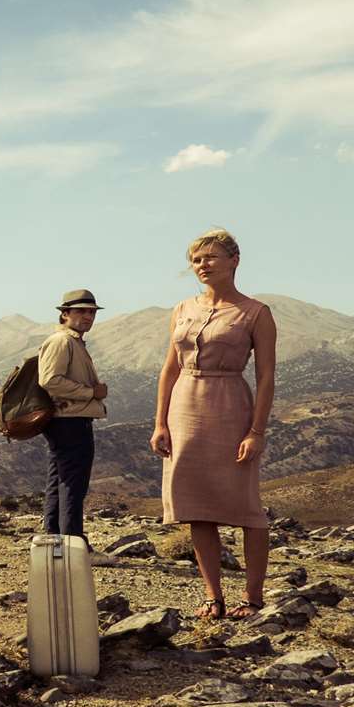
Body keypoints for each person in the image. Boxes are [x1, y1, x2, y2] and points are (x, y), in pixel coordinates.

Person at [149, 229, 278, 619]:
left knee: (247, 507)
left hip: (230, 406)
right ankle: (212, 595)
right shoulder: (182, 309)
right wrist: (160, 424)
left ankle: (253, 597)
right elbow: (169, 369)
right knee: (196, 506)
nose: (202, 265)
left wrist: (256, 431)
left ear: (234, 261)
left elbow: (267, 376)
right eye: (196, 260)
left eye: (211, 258)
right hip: (184, 408)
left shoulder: (256, 312)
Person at [37, 289, 107, 540]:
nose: (88, 316)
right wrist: (91, 393)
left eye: (91, 312)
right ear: (65, 314)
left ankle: (54, 539)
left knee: (60, 481)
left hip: (66, 420)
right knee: (73, 484)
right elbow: (49, 380)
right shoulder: (62, 342)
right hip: (69, 420)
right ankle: (73, 543)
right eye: (81, 311)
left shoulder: (72, 341)